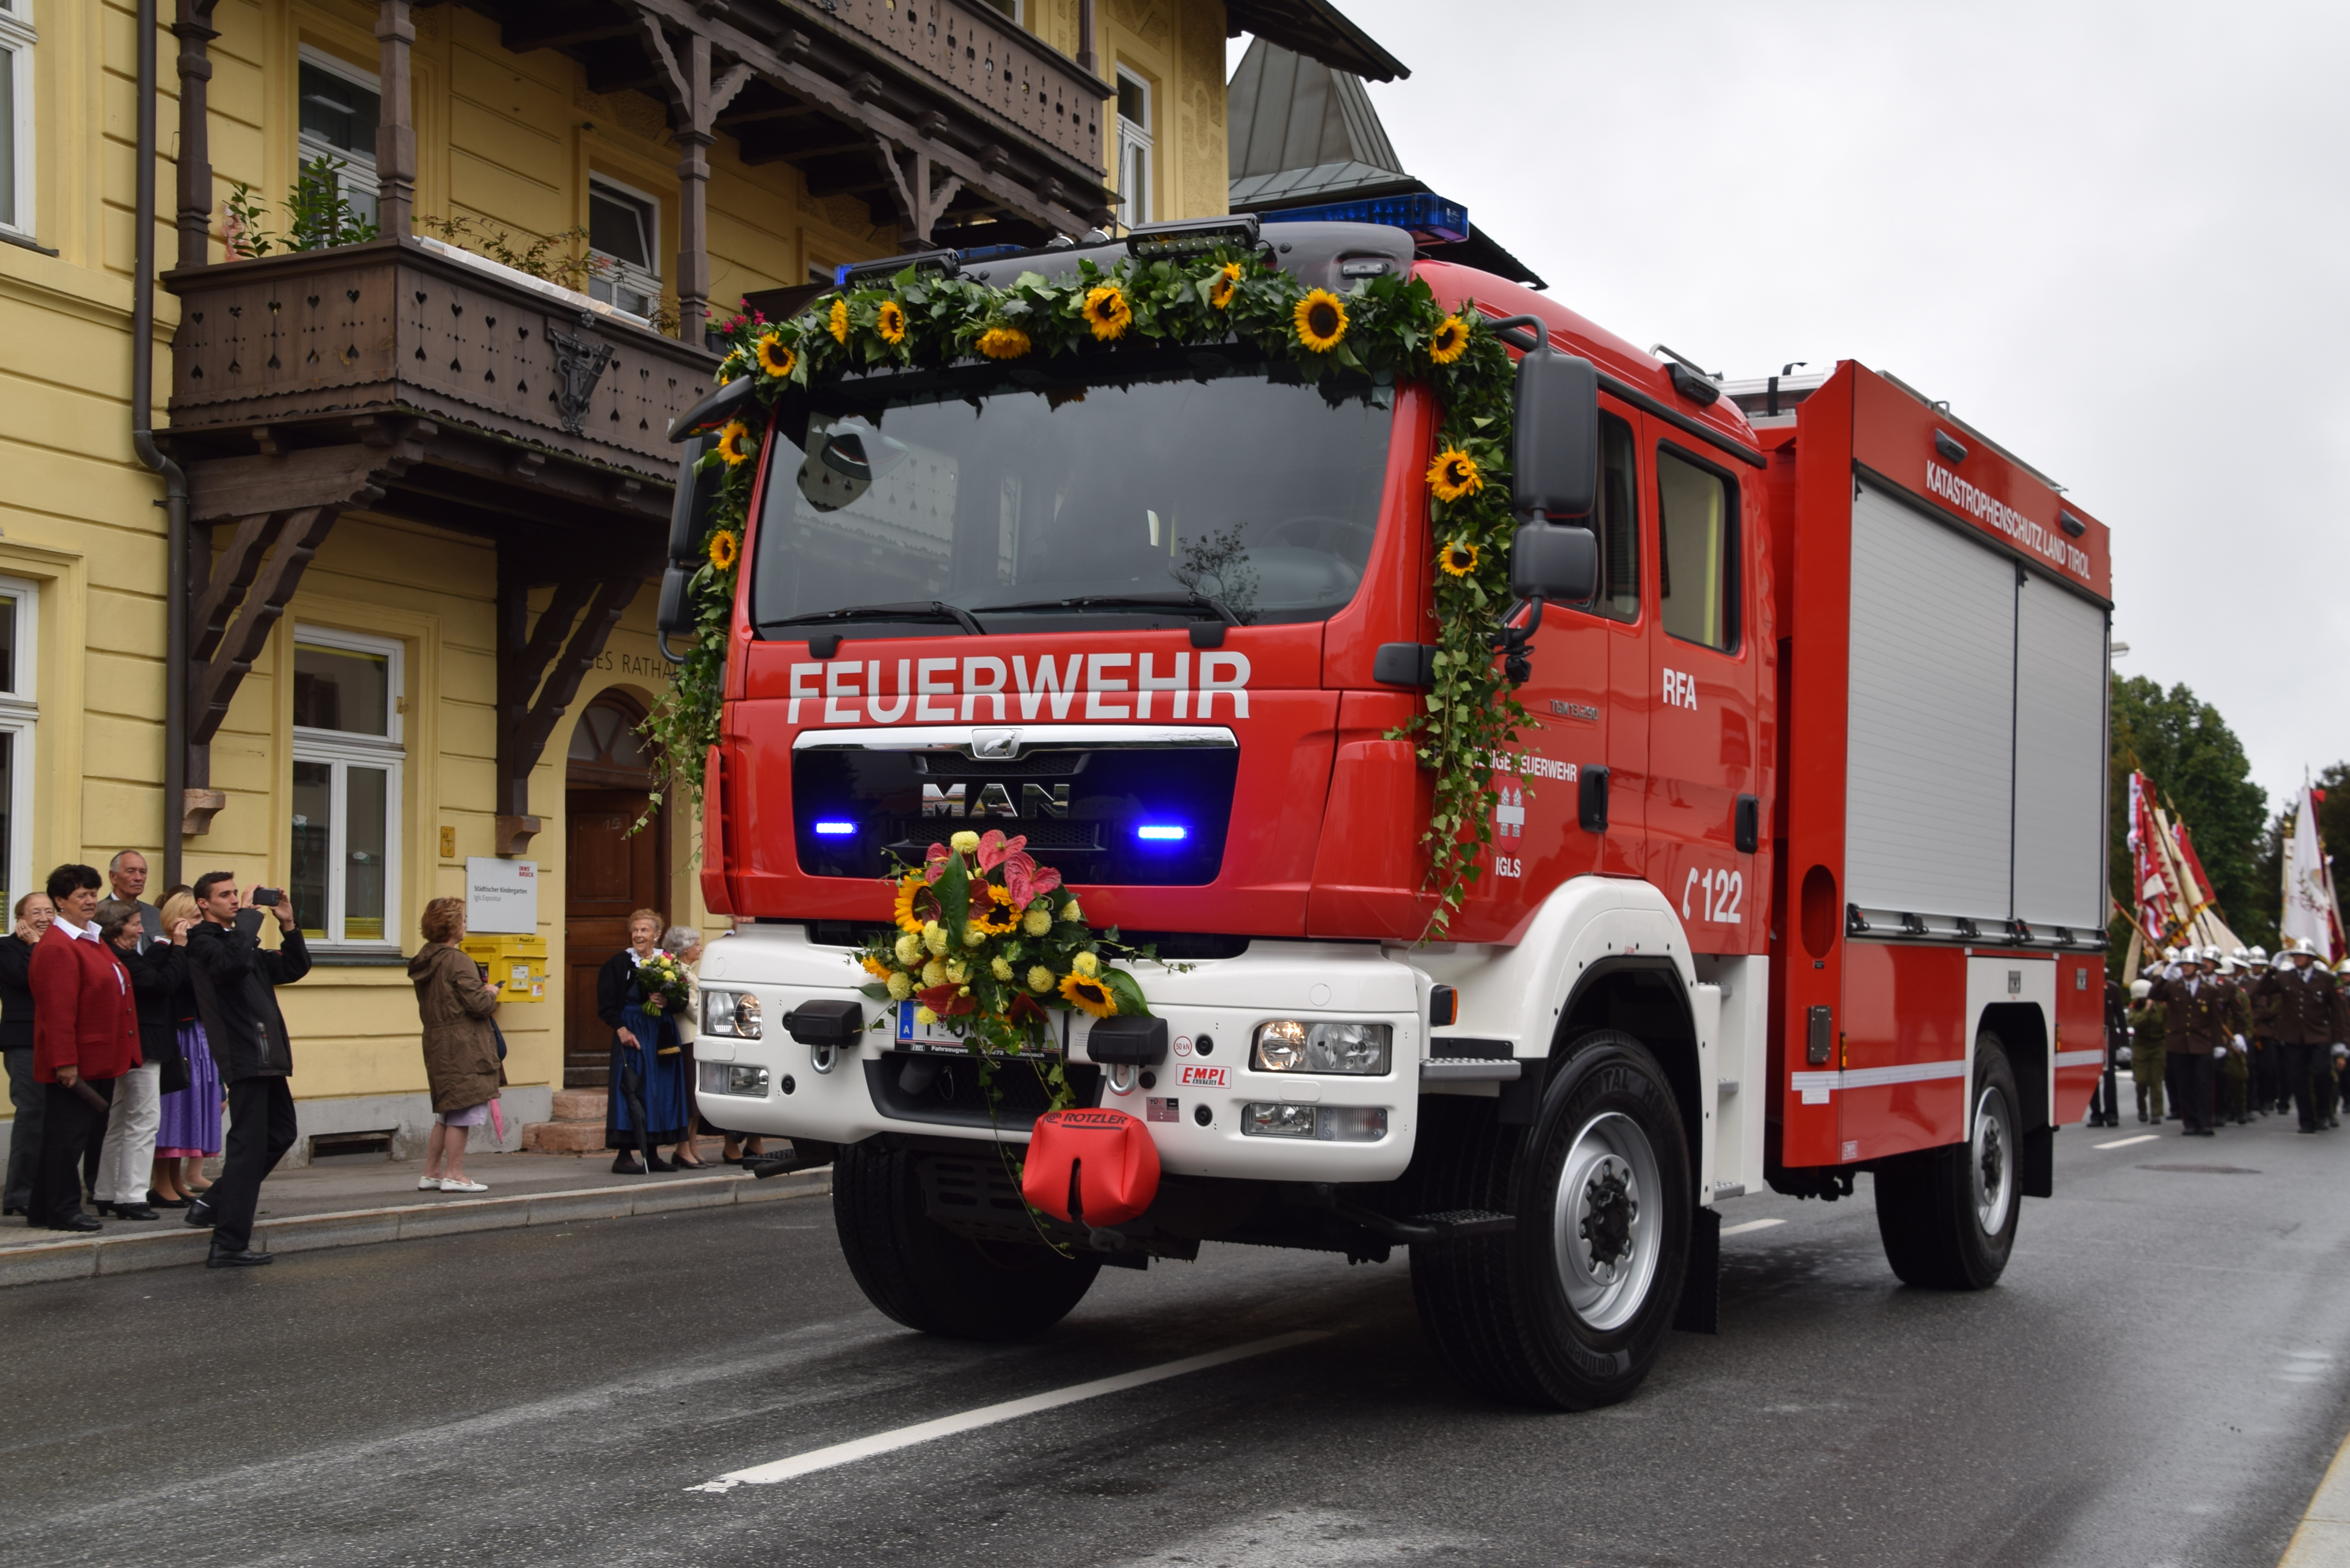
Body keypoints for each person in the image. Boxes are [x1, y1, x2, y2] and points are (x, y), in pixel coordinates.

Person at [184, 871, 311, 1267]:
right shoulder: (203, 941)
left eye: (235, 894)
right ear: (204, 903)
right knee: (247, 1148)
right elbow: (230, 966)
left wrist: (288, 924)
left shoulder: (241, 943)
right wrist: (249, 920)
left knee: (281, 1133)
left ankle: (212, 1203)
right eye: (224, 895)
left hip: (267, 1055)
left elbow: (294, 967)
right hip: (244, 1053)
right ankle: (228, 1243)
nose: (234, 900)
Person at [27, 864, 142, 1231]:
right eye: (82, 895)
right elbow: (57, 1012)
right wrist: (65, 1062)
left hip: (99, 1056)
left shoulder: (91, 937)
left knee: (68, 1134)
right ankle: (63, 1210)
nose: (91, 900)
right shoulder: (58, 946)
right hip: (77, 1061)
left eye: (93, 893)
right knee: (67, 1137)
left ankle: (42, 1208)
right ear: (61, 902)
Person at [90, 898, 189, 1219]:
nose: (141, 929)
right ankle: (132, 1196)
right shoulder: (123, 958)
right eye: (135, 924)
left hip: (134, 1045)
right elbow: (163, 984)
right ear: (118, 928)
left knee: (121, 1120)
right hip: (143, 1046)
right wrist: (178, 947)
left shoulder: (121, 955)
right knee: (143, 1120)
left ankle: (107, 1191)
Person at [407, 897, 503, 1193]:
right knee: (463, 1111)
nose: (465, 924)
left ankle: (432, 1172)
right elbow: (478, 1005)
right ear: (451, 925)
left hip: (438, 1041)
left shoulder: (426, 959)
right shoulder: (457, 960)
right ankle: (455, 1174)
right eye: (462, 919)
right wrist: (490, 993)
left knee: (446, 1113)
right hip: (464, 1045)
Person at [597, 908, 689, 1175]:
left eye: (644, 930)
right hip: (633, 1033)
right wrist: (621, 1030)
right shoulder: (619, 963)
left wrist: (666, 1001)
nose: (638, 935)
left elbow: (682, 1000)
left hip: (660, 1034)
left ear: (657, 935)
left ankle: (653, 1153)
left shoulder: (668, 962)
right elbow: (606, 1004)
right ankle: (624, 1156)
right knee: (631, 1088)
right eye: (635, 930)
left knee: (658, 1090)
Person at [666, 923, 763, 1168]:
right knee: (692, 1096)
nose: (700, 948)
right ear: (685, 948)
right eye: (697, 944)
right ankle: (684, 1149)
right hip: (689, 1037)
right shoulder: (678, 973)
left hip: (697, 1037)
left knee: (696, 1097)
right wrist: (721, 1014)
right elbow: (694, 1009)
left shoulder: (688, 971)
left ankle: (691, 1148)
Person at [148, 890, 218, 1205]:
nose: (200, 924)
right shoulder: (161, 951)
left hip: (198, 1036)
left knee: (190, 1110)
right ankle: (161, 1183)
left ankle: (176, 1179)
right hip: (178, 1038)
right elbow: (173, 987)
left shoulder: (194, 952)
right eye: (195, 918)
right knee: (173, 1110)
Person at [1, 891, 54, 1217]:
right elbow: (28, 979)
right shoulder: (7, 948)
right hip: (23, 1040)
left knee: (54, 1117)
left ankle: (43, 1190)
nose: (44, 918)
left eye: (49, 911)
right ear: (20, 919)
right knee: (32, 1113)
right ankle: (18, 1195)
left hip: (56, 1040)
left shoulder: (60, 945)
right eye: (36, 912)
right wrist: (35, 945)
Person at [2258, 940, 2341, 1134]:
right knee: (2298, 1078)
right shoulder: (2285, 977)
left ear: (2311, 959)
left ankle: (2324, 1113)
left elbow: (2337, 1012)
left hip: (2320, 1033)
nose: (2297, 958)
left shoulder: (2326, 979)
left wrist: (2340, 1041)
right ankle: (2307, 1120)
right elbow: (2261, 991)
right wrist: (2272, 969)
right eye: (2295, 955)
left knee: (2322, 1073)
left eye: (2301, 955)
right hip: (2294, 1036)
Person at [2152, 947, 2230, 1137]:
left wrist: (2219, 1044)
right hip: (2179, 1045)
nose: (2186, 967)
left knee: (2203, 1085)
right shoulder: (2173, 987)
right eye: (2183, 964)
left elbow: (2216, 1020)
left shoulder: (2209, 990)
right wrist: (2164, 976)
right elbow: (2153, 994)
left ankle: (2205, 1122)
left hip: (2202, 1044)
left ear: (2197, 967)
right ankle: (2190, 1123)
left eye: (2189, 964)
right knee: (2184, 1085)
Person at [2127, 977, 2168, 1123]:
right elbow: (2135, 1022)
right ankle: (2142, 1109)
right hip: (2141, 1046)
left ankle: (2156, 1113)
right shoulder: (2135, 1009)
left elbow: (2167, 1026)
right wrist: (2147, 1010)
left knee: (2156, 1081)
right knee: (2141, 1081)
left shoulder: (2162, 1008)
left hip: (2158, 1046)